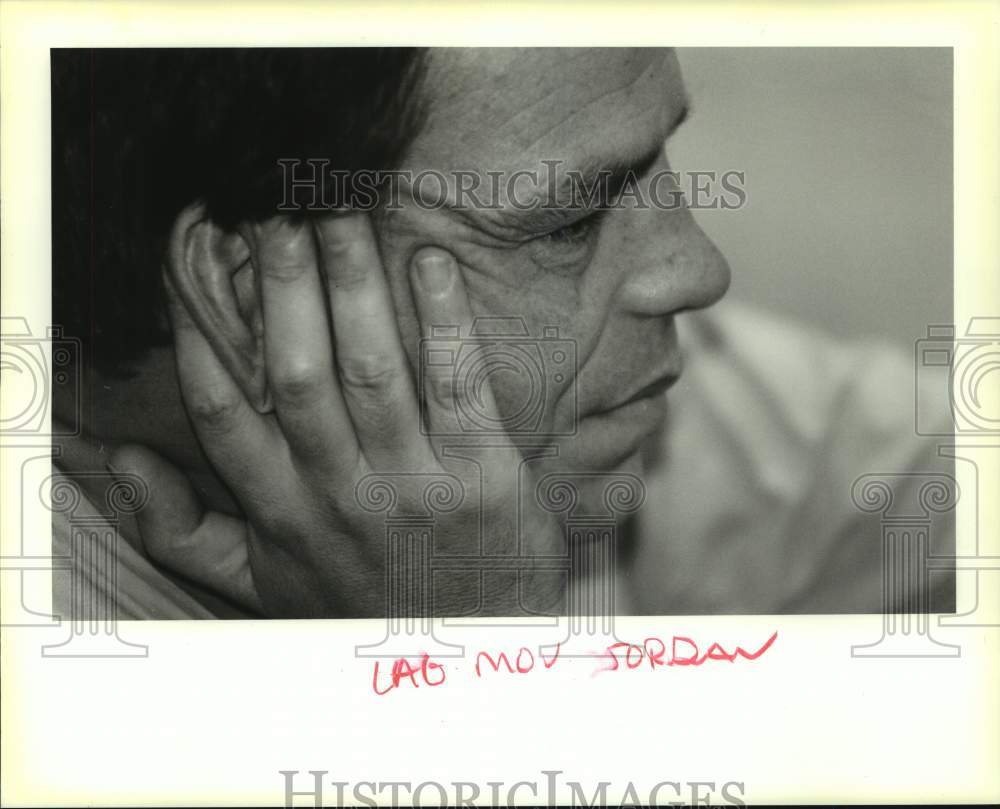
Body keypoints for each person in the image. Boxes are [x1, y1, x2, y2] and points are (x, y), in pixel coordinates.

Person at [50, 47, 954, 619]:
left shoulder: (616, 417)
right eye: (568, 223)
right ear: (252, 295)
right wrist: (464, 662)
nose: (700, 270)